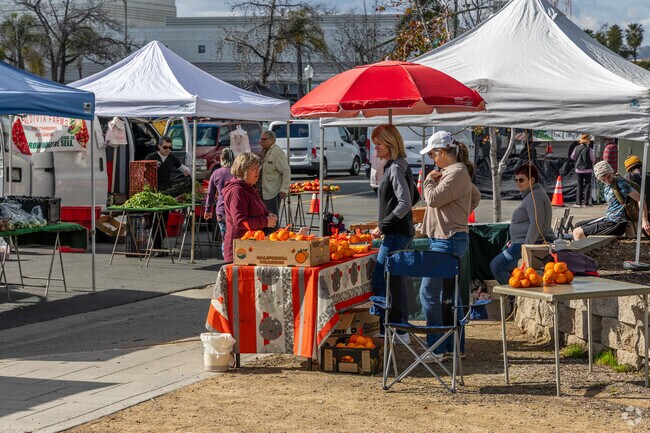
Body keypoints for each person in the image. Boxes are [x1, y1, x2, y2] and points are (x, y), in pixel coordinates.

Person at [419, 131, 480, 361]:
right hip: (448, 237)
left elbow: (432, 198)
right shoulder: (455, 172)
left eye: (433, 154)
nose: (432, 159)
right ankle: (454, 347)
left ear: (441, 152)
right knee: (448, 295)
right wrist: (461, 212)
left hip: (447, 239)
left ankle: (437, 348)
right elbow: (474, 196)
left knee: (429, 292)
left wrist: (428, 180)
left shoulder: (455, 172)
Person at [369, 124, 417, 341]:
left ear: (390, 143)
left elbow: (406, 201)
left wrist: (383, 225)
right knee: (395, 282)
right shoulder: (400, 165)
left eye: (379, 144)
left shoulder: (395, 168)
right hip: (401, 232)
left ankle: (386, 327)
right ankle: (399, 329)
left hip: (395, 233)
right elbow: (414, 197)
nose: (375, 148)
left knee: (380, 279)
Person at [490, 163, 554, 287]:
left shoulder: (535, 196)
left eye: (521, 180)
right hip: (520, 243)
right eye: (516, 180)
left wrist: (526, 247)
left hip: (529, 244)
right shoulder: (531, 195)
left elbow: (536, 224)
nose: (518, 183)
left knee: (496, 266)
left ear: (532, 180)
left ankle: (515, 296)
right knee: (503, 267)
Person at [572, 161, 650, 240]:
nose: (607, 181)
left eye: (609, 177)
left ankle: (581, 251)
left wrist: (645, 220)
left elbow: (640, 199)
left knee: (578, 233)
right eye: (603, 180)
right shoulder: (607, 186)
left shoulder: (620, 183)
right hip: (609, 218)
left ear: (611, 172)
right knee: (578, 225)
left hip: (617, 222)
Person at [222, 153, 277, 263]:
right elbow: (240, 222)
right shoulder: (237, 191)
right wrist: (265, 221)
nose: (258, 171)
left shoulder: (250, 188)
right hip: (240, 251)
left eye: (258, 168)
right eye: (254, 169)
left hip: (252, 248)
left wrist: (268, 215)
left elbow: (255, 210)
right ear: (243, 170)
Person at [204, 148, 235, 256]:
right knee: (236, 237)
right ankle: (236, 258)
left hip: (221, 210)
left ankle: (226, 258)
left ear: (221, 159)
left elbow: (210, 194)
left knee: (225, 236)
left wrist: (207, 210)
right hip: (236, 210)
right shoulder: (237, 172)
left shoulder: (216, 173)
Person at [258, 130, 291, 230]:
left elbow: (286, 170)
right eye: (260, 139)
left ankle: (273, 240)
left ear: (272, 140)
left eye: (264, 139)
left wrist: (284, 189)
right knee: (264, 219)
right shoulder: (266, 151)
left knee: (272, 219)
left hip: (272, 192)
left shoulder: (276, 152)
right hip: (263, 191)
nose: (261, 142)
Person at [570, 134, 595, 207]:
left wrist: (578, 160)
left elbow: (572, 157)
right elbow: (593, 159)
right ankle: (586, 203)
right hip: (588, 170)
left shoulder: (576, 148)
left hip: (578, 169)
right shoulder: (589, 149)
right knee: (587, 185)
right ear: (587, 141)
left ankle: (578, 203)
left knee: (579, 185)